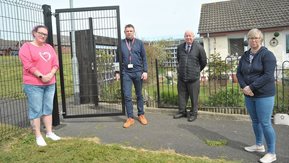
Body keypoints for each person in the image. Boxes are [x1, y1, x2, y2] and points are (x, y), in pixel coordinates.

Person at [237, 28, 277, 163]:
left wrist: (251, 87)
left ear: (260, 39)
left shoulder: (267, 55)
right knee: (255, 121)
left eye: (256, 38)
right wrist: (244, 87)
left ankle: (272, 153)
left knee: (265, 123)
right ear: (247, 40)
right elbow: (239, 73)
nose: (253, 40)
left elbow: (267, 75)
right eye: (250, 38)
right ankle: (259, 145)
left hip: (264, 94)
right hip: (249, 94)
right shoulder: (245, 55)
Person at [19, 25, 61, 146]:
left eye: (45, 34)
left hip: (50, 83)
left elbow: (55, 63)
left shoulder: (49, 47)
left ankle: (49, 132)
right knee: (36, 109)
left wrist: (50, 74)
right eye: (40, 33)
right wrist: (42, 76)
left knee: (48, 108)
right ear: (34, 33)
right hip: (33, 84)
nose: (43, 36)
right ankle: (38, 135)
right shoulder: (26, 47)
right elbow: (28, 65)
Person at [115, 24, 148, 128]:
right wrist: (117, 72)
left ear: (134, 32)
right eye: (127, 31)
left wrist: (145, 71)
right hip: (126, 73)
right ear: (124, 32)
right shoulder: (121, 44)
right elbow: (117, 59)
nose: (129, 32)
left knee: (139, 95)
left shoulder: (139, 43)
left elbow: (144, 58)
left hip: (138, 72)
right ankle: (130, 118)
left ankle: (141, 114)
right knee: (127, 95)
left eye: (131, 31)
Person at [173, 30, 207, 122]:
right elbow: (179, 60)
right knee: (182, 95)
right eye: (186, 36)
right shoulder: (180, 47)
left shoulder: (199, 48)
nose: (188, 37)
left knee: (194, 97)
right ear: (184, 37)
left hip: (193, 78)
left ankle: (193, 113)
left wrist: (196, 70)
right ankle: (182, 111)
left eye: (190, 36)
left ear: (193, 37)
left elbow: (203, 62)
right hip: (182, 77)